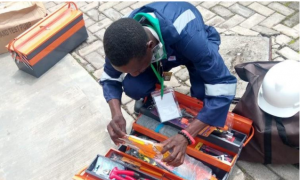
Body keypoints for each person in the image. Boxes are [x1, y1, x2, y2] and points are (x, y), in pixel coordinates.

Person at [100, 2, 237, 167]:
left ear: (150, 47)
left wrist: (187, 135)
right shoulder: (118, 42)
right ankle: (154, 91)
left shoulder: (191, 37)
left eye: (135, 69)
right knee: (134, 86)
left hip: (187, 49)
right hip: (157, 55)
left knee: (203, 98)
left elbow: (223, 87)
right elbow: (109, 78)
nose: (133, 74)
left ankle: (189, 94)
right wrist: (116, 114)